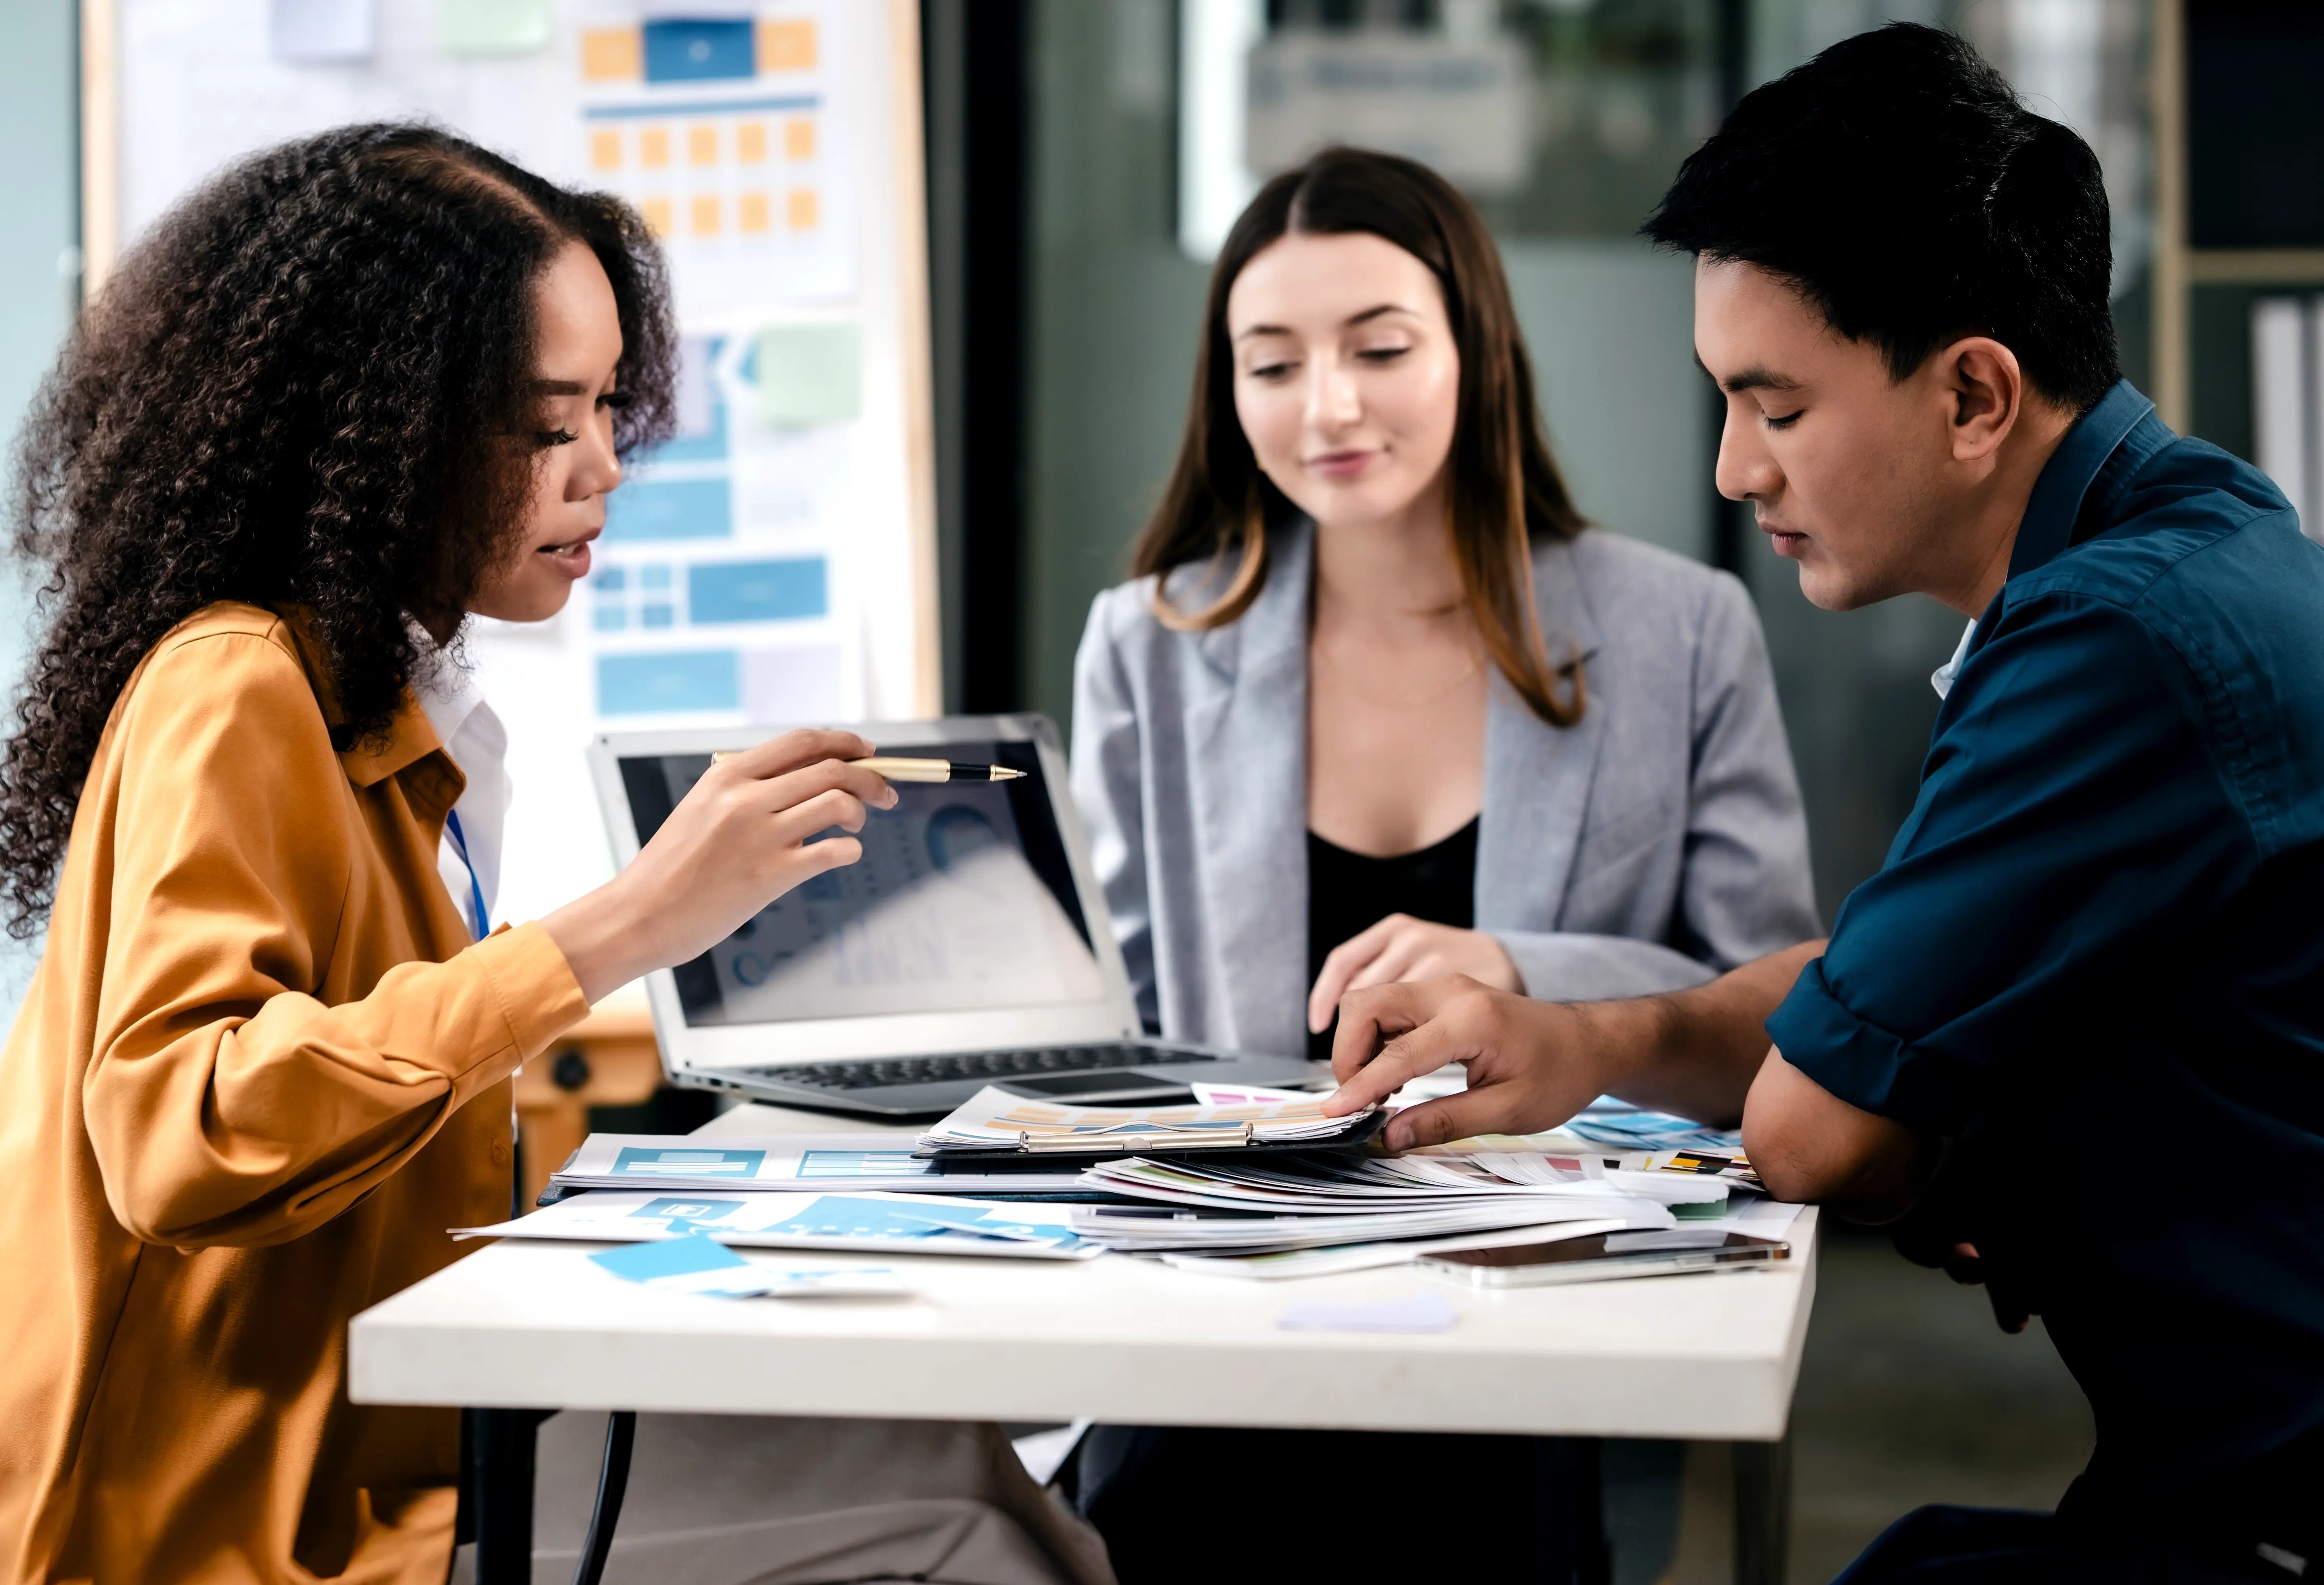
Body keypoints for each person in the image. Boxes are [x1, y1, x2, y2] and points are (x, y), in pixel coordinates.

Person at [0, 126, 1108, 1585]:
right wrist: (631, 922)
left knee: (951, 1460)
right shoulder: (238, 681)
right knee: (961, 1518)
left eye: (604, 409)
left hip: (372, 1430)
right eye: (541, 425)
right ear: (375, 426)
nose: (600, 469)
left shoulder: (376, 704)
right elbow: (181, 1129)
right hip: (227, 1513)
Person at [1324, 26, 2324, 1585]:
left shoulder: (2119, 634)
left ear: (1976, 394)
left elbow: (1812, 1124)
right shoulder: (2191, 533)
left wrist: (1925, 1121)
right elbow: (1864, 993)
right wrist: (1582, 1046)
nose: (1733, 468)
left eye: (1774, 407)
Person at [1067, 148, 1817, 1581]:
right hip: (1227, 1322)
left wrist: (1524, 976)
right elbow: (1130, 1044)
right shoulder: (1151, 646)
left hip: (1538, 1319)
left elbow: (1780, 1005)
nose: (1328, 405)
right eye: (1271, 363)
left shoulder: (1681, 630)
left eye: (1382, 347)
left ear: (1476, 350)